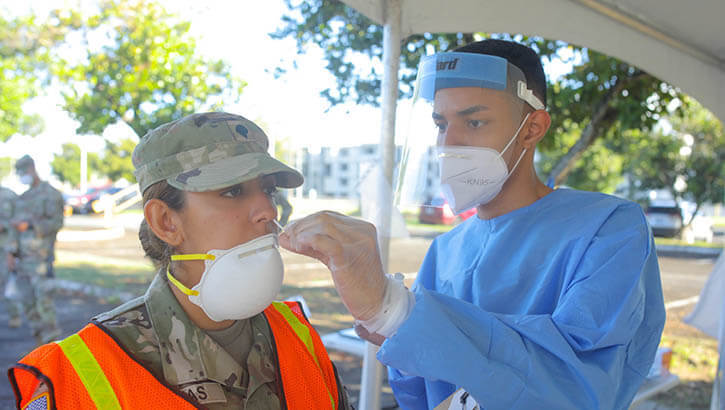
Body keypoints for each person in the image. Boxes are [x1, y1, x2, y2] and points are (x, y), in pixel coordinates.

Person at [279, 39, 665, 409]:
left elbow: (579, 387)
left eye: (475, 122)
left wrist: (398, 312)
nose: (450, 142)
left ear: (532, 128)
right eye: (440, 123)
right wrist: (391, 329)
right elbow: (421, 394)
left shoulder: (609, 229)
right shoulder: (445, 250)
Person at [8, 112, 351, 409]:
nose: (267, 210)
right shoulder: (80, 372)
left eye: (269, 190)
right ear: (166, 222)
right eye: (232, 191)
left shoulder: (298, 334)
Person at [10, 155, 64, 345]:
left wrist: (30, 224)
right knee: (29, 305)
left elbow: (57, 222)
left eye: (23, 172)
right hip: (22, 261)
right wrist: (11, 252)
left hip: (41, 260)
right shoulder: (23, 198)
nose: (22, 176)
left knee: (45, 304)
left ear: (32, 169)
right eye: (19, 173)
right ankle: (39, 348)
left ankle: (52, 348)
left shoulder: (51, 194)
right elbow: (14, 229)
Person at [0, 181, 22, 328]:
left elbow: (19, 222)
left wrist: (12, 251)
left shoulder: (8, 196)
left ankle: (15, 315)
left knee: (6, 283)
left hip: (5, 248)